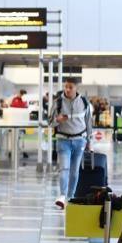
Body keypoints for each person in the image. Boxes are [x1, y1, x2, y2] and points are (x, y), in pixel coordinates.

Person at [52, 80, 93, 209]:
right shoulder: (57, 102)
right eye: (66, 87)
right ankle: (63, 196)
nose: (67, 89)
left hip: (80, 140)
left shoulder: (84, 102)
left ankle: (70, 197)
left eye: (70, 87)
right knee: (64, 168)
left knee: (74, 171)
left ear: (76, 88)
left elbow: (89, 123)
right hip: (63, 140)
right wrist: (57, 120)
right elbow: (50, 122)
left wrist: (89, 142)